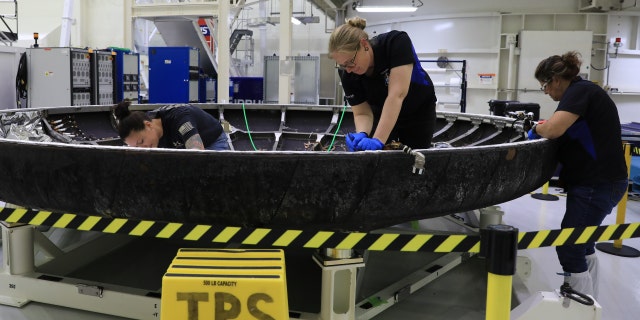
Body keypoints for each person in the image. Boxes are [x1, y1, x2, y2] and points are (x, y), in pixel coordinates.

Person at [529, 51, 628, 298]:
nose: (547, 94)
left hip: (597, 183)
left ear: (557, 80)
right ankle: (590, 300)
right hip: (603, 181)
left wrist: (534, 127)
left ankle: (579, 304)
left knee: (570, 245)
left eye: (545, 87)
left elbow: (552, 129)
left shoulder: (580, 92)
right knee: (583, 242)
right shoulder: (582, 93)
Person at [328, 17, 437, 151]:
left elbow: (397, 95)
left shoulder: (395, 43)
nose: (349, 69)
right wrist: (362, 133)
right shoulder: (348, 74)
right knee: (376, 159)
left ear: (364, 45)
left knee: (414, 157)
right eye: (343, 65)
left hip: (417, 111)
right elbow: (362, 113)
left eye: (351, 61)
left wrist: (378, 139)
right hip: (382, 113)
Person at [113, 101, 230, 150]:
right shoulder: (148, 128)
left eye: (141, 142)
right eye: (137, 148)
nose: (143, 148)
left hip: (212, 142)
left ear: (148, 125)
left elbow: (198, 154)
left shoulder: (181, 120)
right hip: (180, 147)